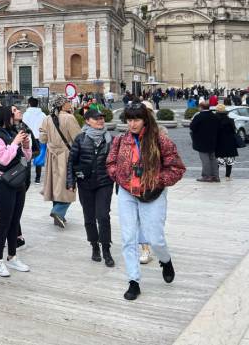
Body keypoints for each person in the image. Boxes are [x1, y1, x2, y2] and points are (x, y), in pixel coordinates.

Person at [107, 103, 185, 301]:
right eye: (129, 120)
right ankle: (133, 281)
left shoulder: (160, 141)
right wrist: (120, 177)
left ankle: (165, 260)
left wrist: (156, 181)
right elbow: (110, 163)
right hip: (127, 192)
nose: (132, 124)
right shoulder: (119, 141)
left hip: (153, 194)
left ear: (145, 120)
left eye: (136, 119)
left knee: (155, 237)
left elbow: (176, 168)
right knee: (128, 237)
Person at [0, 106, 33, 277]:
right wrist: (14, 143)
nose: (14, 116)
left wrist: (25, 146)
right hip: (4, 183)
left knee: (15, 220)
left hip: (18, 180)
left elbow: (26, 158)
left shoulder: (11, 132)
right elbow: (3, 160)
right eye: (11, 114)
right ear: (3, 117)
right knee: (5, 221)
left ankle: (12, 256)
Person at [67, 109, 115, 267]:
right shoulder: (80, 139)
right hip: (85, 183)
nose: (100, 120)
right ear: (87, 121)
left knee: (103, 216)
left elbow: (116, 162)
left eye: (101, 118)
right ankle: (94, 246)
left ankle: (106, 249)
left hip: (104, 182)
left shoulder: (110, 139)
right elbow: (71, 162)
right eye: (96, 118)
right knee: (89, 217)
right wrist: (71, 182)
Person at [39, 96, 81, 228]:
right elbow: (78, 139)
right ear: (62, 105)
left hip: (51, 155)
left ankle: (59, 216)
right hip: (66, 155)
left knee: (55, 185)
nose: (70, 103)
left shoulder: (47, 119)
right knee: (69, 185)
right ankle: (58, 211)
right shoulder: (69, 118)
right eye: (68, 102)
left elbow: (42, 139)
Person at [190, 100, 220, 182]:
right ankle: (215, 176)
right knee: (213, 159)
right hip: (213, 141)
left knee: (205, 159)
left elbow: (192, 127)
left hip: (202, 141)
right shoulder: (214, 116)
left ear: (201, 107)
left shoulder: (199, 116)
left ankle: (207, 176)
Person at [22, 97, 46, 184]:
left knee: (26, 157)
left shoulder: (25, 114)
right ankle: (37, 178)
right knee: (38, 157)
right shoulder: (43, 115)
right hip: (39, 137)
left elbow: (23, 127)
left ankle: (25, 177)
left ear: (29, 104)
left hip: (29, 137)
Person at [214, 105, 238, 179]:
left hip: (218, 142)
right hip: (229, 142)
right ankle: (227, 176)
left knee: (217, 160)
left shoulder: (214, 120)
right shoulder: (230, 120)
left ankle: (216, 175)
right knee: (229, 160)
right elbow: (234, 131)